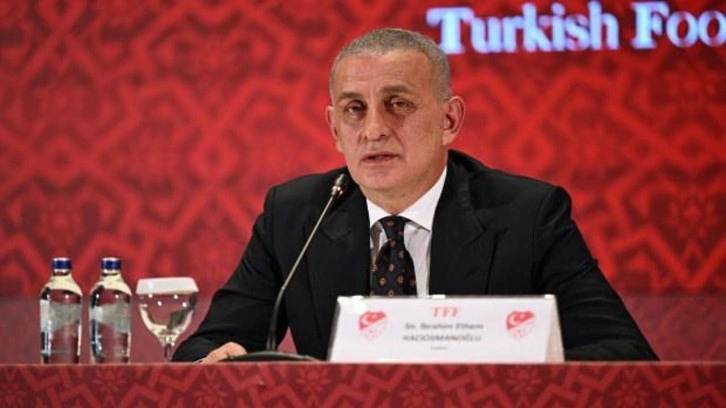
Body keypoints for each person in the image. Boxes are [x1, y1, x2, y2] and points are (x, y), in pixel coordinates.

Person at [173, 28, 657, 363]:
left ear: (449, 120)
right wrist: (223, 364)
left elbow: (625, 357)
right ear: (335, 130)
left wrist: (510, 373)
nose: (374, 130)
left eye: (398, 104)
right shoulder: (296, 216)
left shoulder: (527, 216)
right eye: (355, 109)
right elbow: (206, 350)